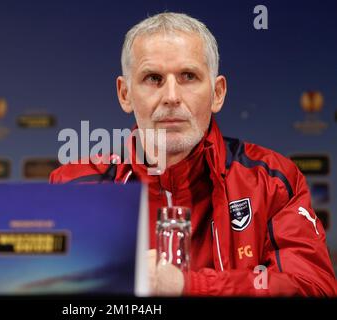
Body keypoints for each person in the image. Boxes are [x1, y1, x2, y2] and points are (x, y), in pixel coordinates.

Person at [49, 12, 336, 296]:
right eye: (153, 78)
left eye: (188, 76)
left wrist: (189, 286)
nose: (171, 97)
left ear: (217, 93)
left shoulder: (271, 181)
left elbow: (313, 287)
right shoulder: (73, 187)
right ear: (125, 94)